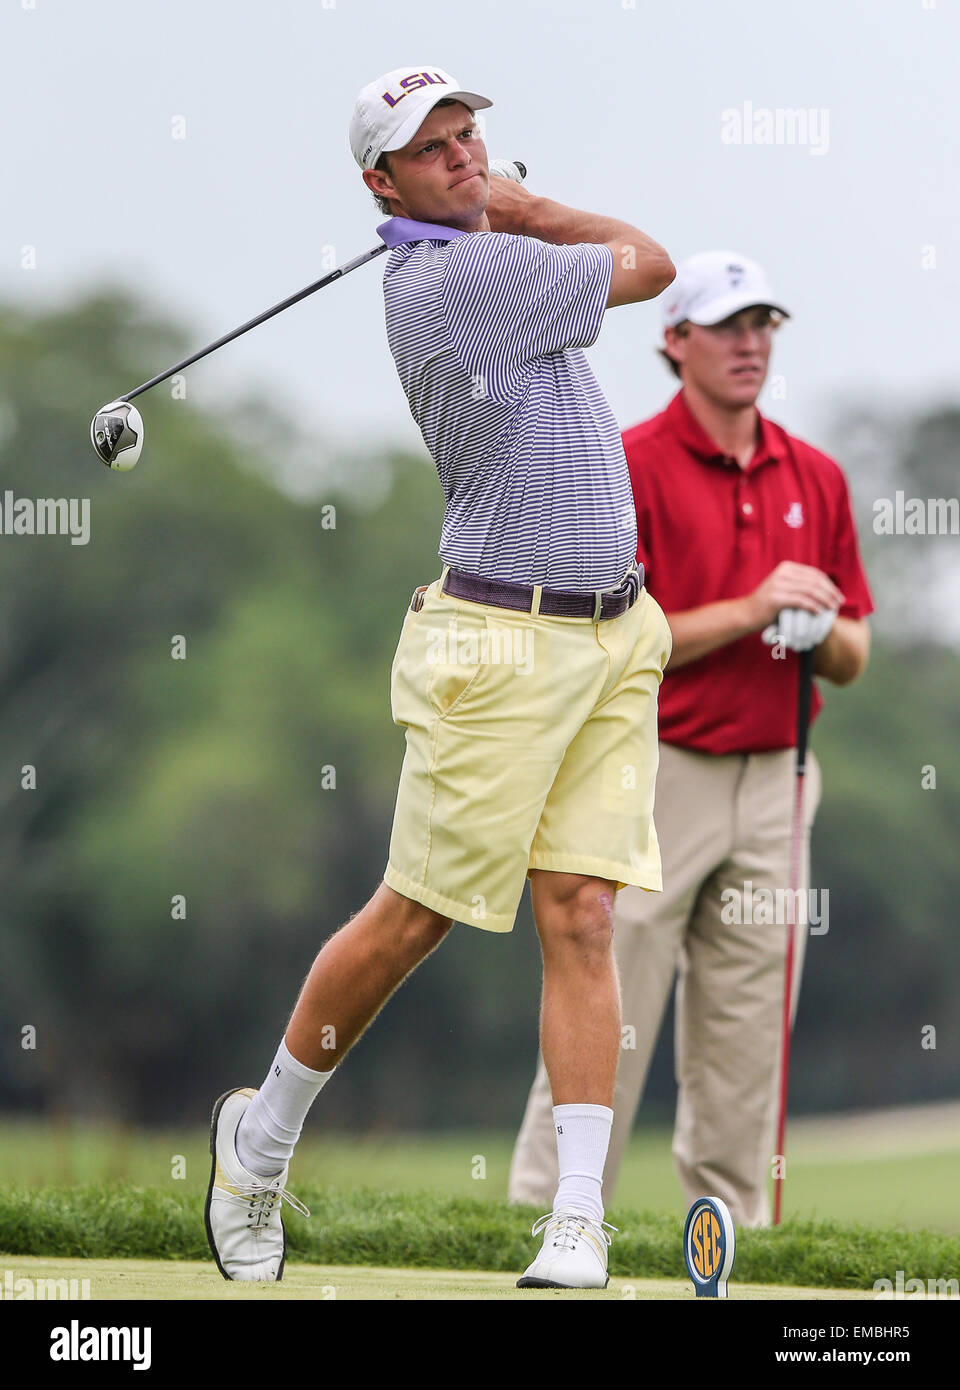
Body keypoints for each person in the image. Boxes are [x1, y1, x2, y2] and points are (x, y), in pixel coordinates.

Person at [204, 64, 675, 1289]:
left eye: (472, 138)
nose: (466, 158)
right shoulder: (463, 277)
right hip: (497, 644)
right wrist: (527, 206)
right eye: (436, 149)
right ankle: (259, 1143)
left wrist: (502, 207)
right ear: (384, 182)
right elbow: (653, 263)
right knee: (413, 916)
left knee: (581, 912)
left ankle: (576, 1219)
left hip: (617, 632)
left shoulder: (481, 263)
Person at [507, 250, 874, 1228]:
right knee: (610, 1006)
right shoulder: (628, 462)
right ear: (676, 341)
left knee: (749, 1029)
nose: (752, 343)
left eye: (764, 325)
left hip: (779, 776)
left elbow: (855, 654)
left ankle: (731, 1240)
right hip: (653, 771)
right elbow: (614, 637)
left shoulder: (817, 476)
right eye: (729, 325)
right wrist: (752, 608)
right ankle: (550, 1213)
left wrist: (818, 625)